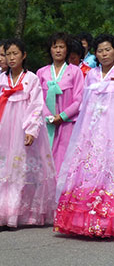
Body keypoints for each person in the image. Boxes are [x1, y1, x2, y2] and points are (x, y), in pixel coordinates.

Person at [0, 38, 57, 229]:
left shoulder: (31, 78)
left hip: (23, 127)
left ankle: (24, 212)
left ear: (24, 55)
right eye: (8, 54)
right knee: (1, 168)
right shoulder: (0, 79)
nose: (11, 58)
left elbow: (36, 105)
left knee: (22, 168)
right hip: (4, 128)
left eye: (15, 53)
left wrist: (31, 129)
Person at [54, 33, 114, 237]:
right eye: (100, 50)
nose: (104, 54)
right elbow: (86, 105)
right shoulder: (92, 74)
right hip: (92, 128)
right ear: (95, 54)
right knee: (88, 169)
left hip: (111, 130)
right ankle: (85, 220)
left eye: (108, 49)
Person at [36, 33, 84, 174]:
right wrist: (49, 116)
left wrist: (62, 116)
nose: (58, 50)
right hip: (47, 124)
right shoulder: (41, 72)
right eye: (54, 46)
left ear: (67, 50)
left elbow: (79, 99)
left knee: (64, 162)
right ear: (50, 49)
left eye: (61, 47)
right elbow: (37, 98)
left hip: (67, 124)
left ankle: (62, 194)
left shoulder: (75, 72)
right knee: (44, 161)